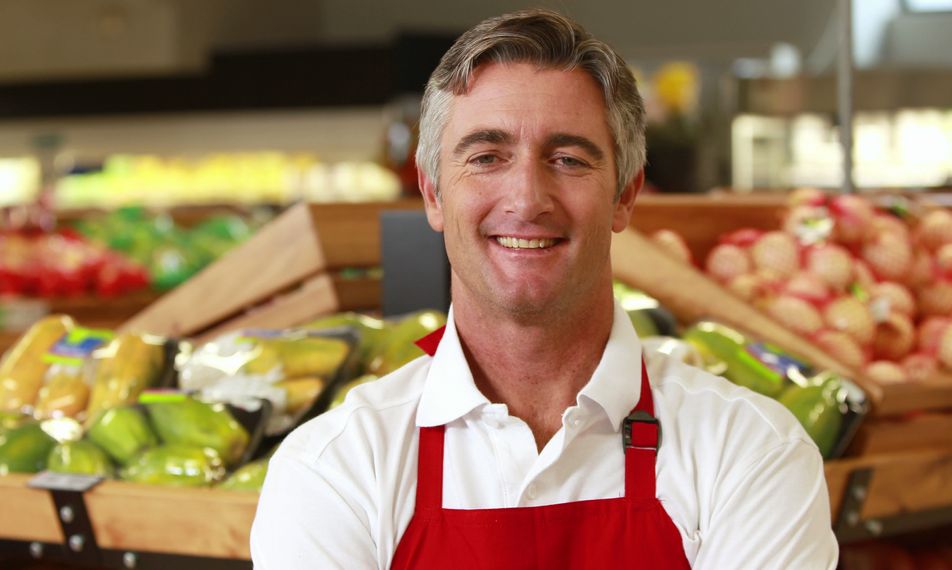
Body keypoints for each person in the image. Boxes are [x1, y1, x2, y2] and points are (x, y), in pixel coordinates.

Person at [252, 9, 837, 569]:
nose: (528, 200)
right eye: (486, 157)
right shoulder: (337, 466)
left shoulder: (750, 451)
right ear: (433, 195)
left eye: (568, 159)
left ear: (625, 196)